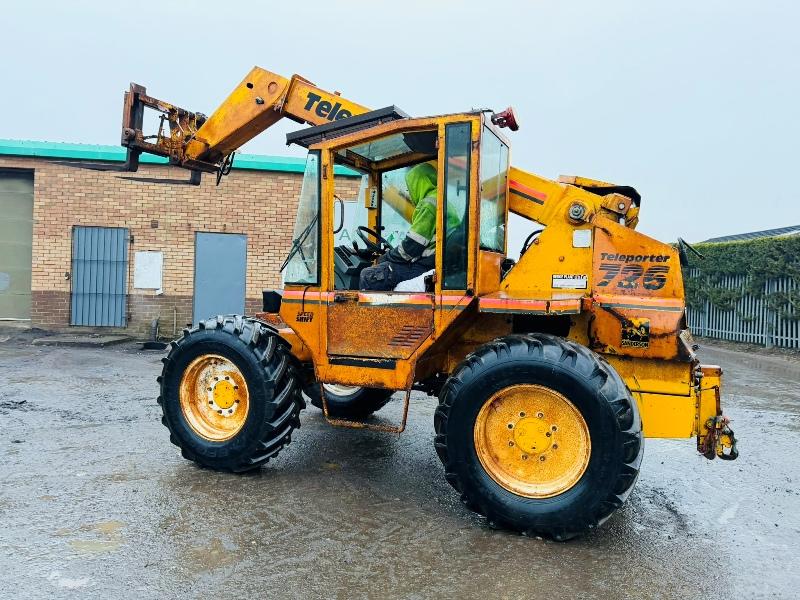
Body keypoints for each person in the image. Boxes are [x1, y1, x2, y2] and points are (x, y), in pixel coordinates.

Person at [359, 163, 439, 291]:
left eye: (410, 187)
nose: (410, 193)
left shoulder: (429, 204)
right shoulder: (440, 199)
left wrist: (385, 257)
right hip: (433, 261)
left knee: (369, 275)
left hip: (425, 264)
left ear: (417, 184)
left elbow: (412, 246)